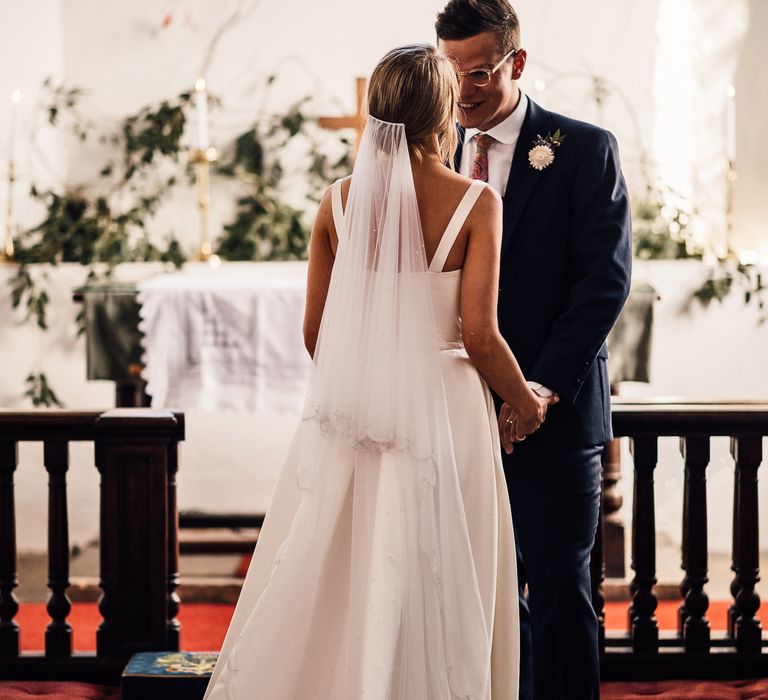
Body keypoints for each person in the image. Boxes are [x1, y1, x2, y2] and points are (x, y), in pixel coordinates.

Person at [203, 43, 554, 700]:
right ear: (442, 111)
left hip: (358, 411)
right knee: (449, 568)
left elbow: (318, 334)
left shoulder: (337, 202)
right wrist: (525, 402)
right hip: (448, 414)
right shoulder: (475, 203)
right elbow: (478, 337)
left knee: (350, 566)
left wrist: (374, 371)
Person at [436, 2, 632, 699]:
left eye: (480, 71)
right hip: (457, 414)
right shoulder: (435, 153)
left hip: (555, 413)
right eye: (450, 70)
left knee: (558, 585)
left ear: (517, 63)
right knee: (474, 591)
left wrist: (537, 391)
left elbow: (602, 286)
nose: (463, 89)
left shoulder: (582, 147)